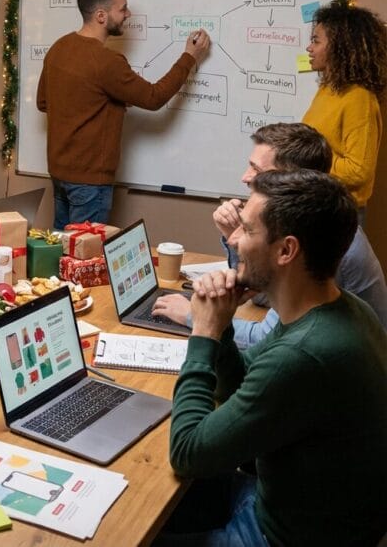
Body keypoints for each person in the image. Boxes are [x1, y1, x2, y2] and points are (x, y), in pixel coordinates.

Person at [158, 170, 387, 546]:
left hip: (278, 534)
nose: (233, 240)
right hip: (292, 507)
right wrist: (224, 325)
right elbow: (244, 387)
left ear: (286, 251)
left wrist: (204, 333)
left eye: (246, 231)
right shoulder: (343, 309)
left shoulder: (306, 353)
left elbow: (187, 452)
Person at [153, 122, 387, 346]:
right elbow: (263, 293)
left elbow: (266, 339)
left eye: (257, 169)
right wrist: (241, 237)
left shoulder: (321, 237)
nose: (245, 177)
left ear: (289, 179)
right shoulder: (307, 221)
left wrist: (194, 317)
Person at [36, 0, 211, 228]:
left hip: (59, 175)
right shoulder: (107, 61)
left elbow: (44, 102)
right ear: (100, 15)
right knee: (86, 261)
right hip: (90, 182)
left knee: (60, 254)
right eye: (122, 9)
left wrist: (103, 101)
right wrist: (189, 57)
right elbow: (153, 98)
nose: (127, 14)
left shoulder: (59, 48)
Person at [303, 4, 385, 223]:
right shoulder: (328, 89)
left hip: (340, 214)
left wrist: (305, 161)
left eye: (316, 41)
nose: (309, 48)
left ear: (339, 47)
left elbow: (358, 171)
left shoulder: (359, 98)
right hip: (318, 204)